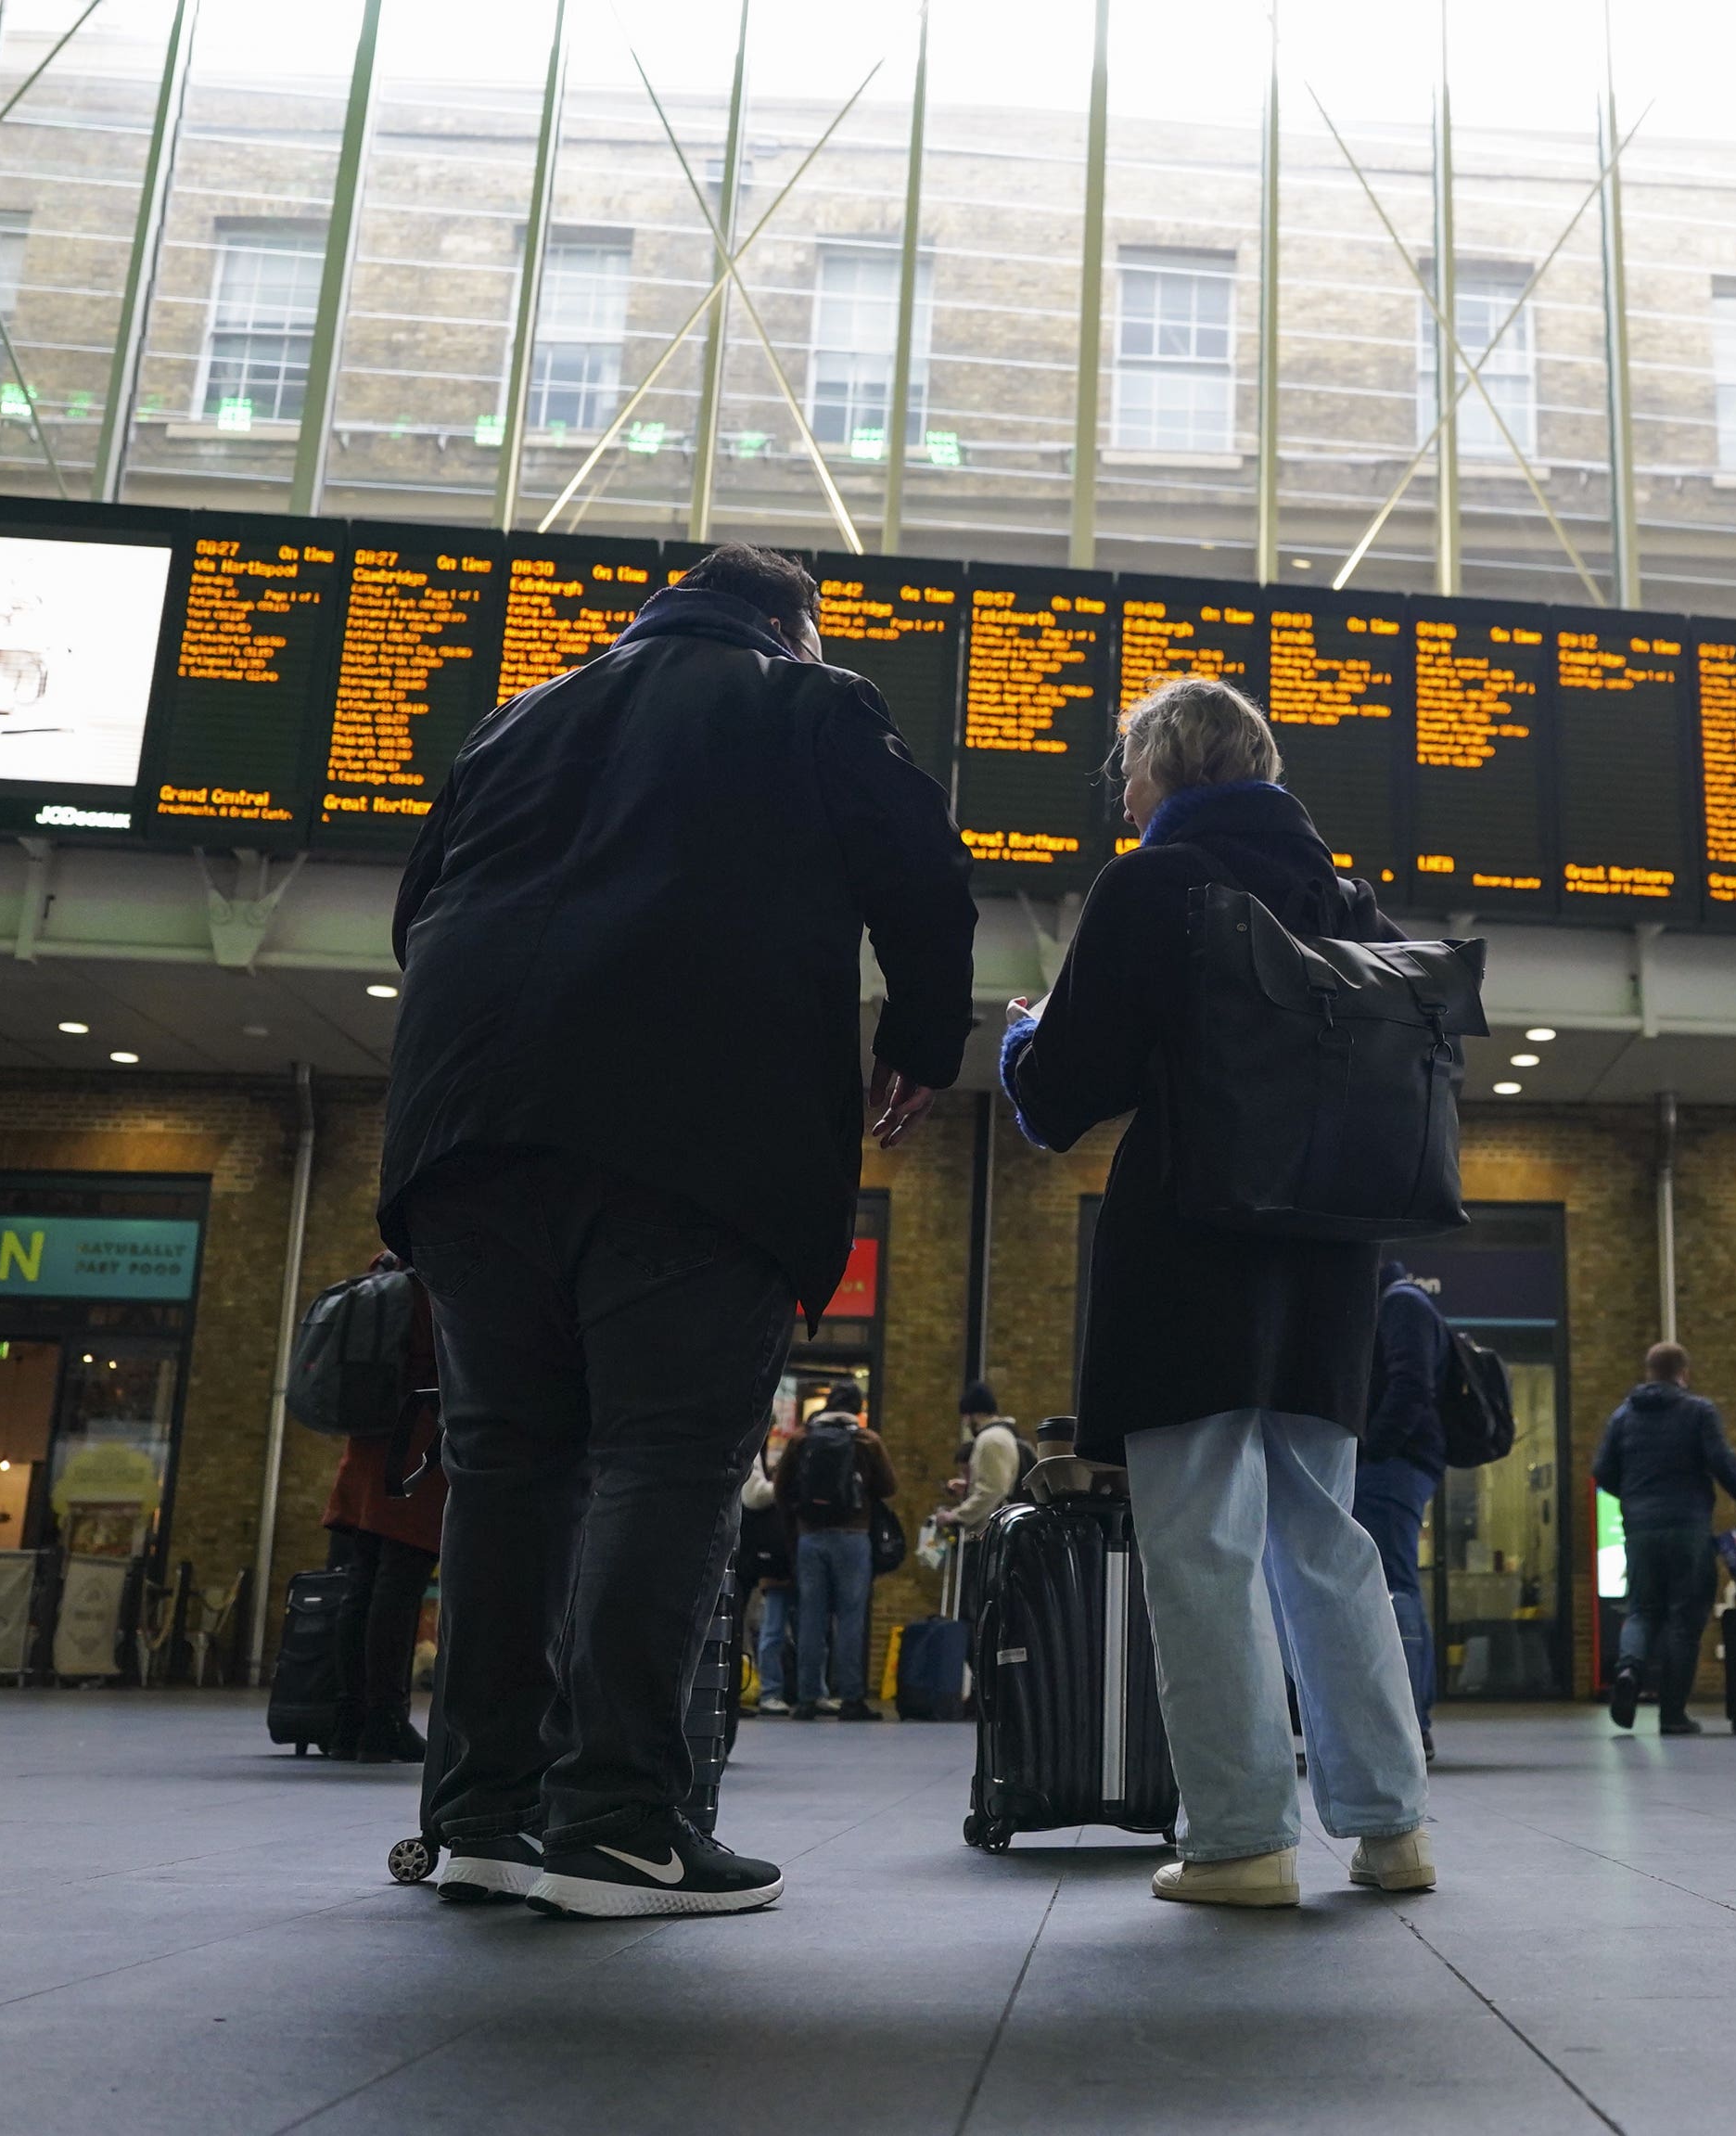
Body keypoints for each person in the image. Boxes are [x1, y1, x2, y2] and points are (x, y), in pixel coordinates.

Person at [381, 542, 977, 1916]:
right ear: (792, 624)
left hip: (466, 1138)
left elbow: (420, 912)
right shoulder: (810, 700)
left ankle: (479, 1812)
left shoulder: (516, 714)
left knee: (506, 1467)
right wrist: (920, 1042)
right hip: (696, 1140)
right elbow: (927, 880)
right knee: (668, 1456)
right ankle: (616, 1823)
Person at [998, 675, 1433, 1910]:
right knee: (1327, 1540)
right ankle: (1391, 1826)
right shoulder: (1348, 898)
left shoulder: (1149, 883)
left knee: (1199, 1545)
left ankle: (1241, 1837)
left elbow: (1061, 1094)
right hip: (1329, 1267)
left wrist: (1023, 1035)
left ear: (1171, 768)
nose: (1121, 793)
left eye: (1127, 769)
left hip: (1189, 1252)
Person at [1591, 1341, 1736, 1737]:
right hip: (1688, 1527)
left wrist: (1633, 1499)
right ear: (1682, 1373)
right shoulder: (1698, 1411)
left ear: (1649, 1372)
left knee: (1641, 1609)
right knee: (1684, 1620)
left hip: (1639, 1529)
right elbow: (1722, 1460)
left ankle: (1629, 1669)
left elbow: (1602, 1471)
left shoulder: (1623, 1416)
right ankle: (1672, 1714)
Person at [321, 1251, 444, 1764]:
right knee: (399, 1585)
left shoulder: (383, 1272)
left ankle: (349, 1718)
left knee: (362, 1584)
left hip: (368, 1445)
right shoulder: (435, 1282)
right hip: (412, 1449)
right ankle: (386, 1720)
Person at [1359, 1262, 1449, 1751]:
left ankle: (1411, 1722)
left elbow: (1412, 1385)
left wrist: (1373, 1447)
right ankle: (1404, 1720)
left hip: (1396, 1463)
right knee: (1388, 1582)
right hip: (1393, 1460)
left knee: (1394, 1586)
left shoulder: (1401, 1302)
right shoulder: (1396, 1302)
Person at [777, 1388, 895, 1720]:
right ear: (857, 1410)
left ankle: (807, 1699)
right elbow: (889, 1486)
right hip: (853, 1538)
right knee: (851, 1620)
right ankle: (851, 1698)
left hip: (810, 1539)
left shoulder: (802, 1439)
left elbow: (782, 1487)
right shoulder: (867, 1441)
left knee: (811, 1619)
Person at [736, 1411, 799, 1717]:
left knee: (748, 1624)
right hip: (744, 1548)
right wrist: (784, 1487)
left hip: (742, 1545)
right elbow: (753, 1495)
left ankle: (739, 1691)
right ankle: (742, 1692)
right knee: (745, 1623)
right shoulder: (748, 1441)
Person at [943, 1382, 1031, 1535]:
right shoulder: (1002, 1435)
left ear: (975, 1414)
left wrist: (955, 1516)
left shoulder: (990, 1440)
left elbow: (994, 1490)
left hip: (990, 1532)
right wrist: (969, 1486)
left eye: (965, 1417)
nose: (965, 1423)